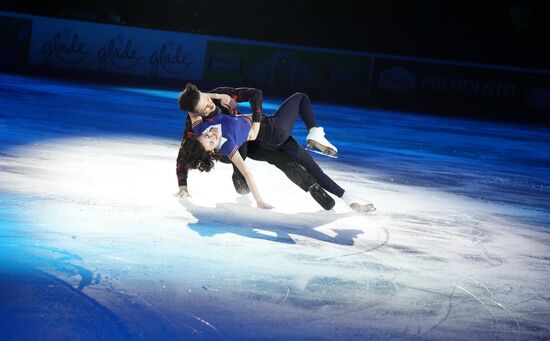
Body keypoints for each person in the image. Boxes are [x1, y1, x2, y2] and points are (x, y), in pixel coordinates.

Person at [178, 83, 375, 212]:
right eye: (203, 107)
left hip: (260, 137)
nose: (209, 105)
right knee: (299, 97)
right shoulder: (203, 134)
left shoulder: (210, 110)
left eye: (207, 100)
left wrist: (218, 95)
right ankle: (315, 132)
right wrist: (183, 185)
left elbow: (254, 94)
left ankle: (345, 196)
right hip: (261, 135)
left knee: (295, 163)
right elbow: (186, 154)